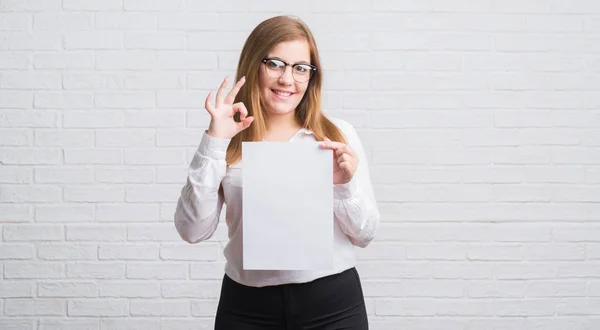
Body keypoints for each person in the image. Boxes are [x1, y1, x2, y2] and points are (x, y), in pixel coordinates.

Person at [174, 15, 380, 330]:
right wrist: (213, 143)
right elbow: (192, 231)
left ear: (312, 76)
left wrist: (343, 187)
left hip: (332, 304)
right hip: (247, 307)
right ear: (254, 64)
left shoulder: (337, 135)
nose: (287, 79)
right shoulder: (228, 140)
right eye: (275, 64)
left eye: (300, 68)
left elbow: (364, 234)